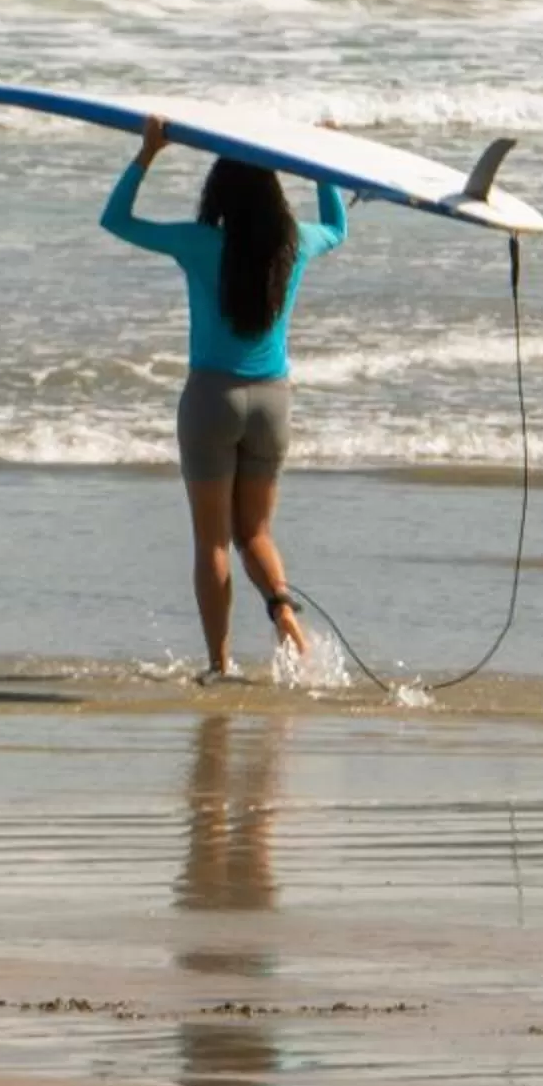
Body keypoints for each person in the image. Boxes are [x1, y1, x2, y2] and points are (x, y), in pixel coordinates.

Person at [101, 116, 347, 678]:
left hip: (212, 400)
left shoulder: (198, 243)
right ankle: (288, 622)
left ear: (220, 193)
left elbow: (115, 220)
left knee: (213, 542)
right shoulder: (298, 244)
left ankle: (220, 664)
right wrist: (323, 161)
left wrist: (148, 153)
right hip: (272, 404)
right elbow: (338, 225)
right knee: (255, 533)